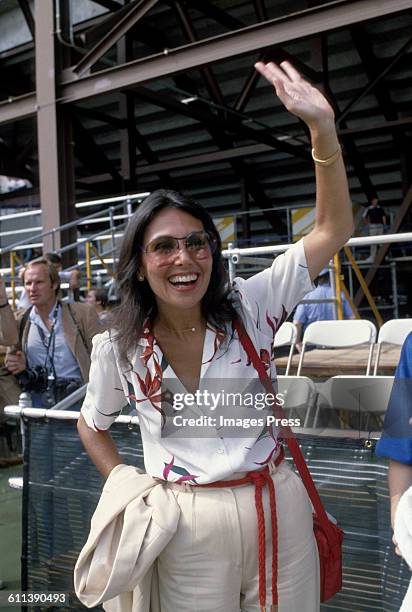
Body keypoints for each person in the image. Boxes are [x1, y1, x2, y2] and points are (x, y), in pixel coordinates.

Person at [77, 60, 353, 611]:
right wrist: (132, 485)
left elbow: (333, 229)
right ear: (138, 265)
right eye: (164, 246)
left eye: (198, 242)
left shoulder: (252, 307)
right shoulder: (121, 349)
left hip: (277, 508)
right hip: (184, 525)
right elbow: (92, 425)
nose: (185, 258)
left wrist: (322, 131)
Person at [0, 258, 101, 408]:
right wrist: (20, 366)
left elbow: (103, 357)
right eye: (28, 283)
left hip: (78, 398)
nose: (32, 289)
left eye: (39, 282)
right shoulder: (21, 320)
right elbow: (11, 358)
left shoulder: (82, 314)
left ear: (54, 284)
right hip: (37, 400)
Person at [293, 269, 355, 351]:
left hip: (311, 343)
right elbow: (352, 318)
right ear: (331, 277)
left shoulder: (307, 296)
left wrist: (297, 343)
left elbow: (297, 323)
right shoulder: (339, 294)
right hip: (336, 342)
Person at [17, 252, 81, 309]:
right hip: (25, 309)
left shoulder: (55, 274)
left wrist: (74, 278)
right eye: (29, 283)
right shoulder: (39, 273)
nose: (55, 270)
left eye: (58, 267)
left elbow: (74, 273)